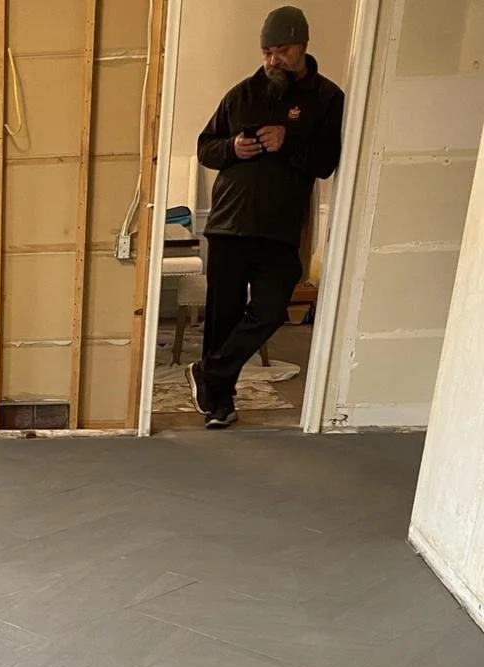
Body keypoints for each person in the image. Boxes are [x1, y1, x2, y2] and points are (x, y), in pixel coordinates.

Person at [188, 7, 344, 429]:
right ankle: (219, 402)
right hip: (228, 223)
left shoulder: (328, 98)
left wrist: (288, 141)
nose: (274, 60)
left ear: (304, 46)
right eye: (268, 52)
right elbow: (205, 146)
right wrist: (232, 149)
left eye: (283, 50)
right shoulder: (241, 94)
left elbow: (327, 162)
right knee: (223, 315)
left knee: (273, 309)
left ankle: (211, 373)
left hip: (279, 229)